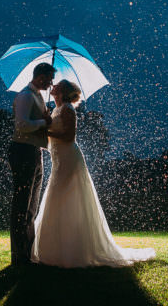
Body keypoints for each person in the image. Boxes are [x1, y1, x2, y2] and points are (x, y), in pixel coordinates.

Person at [32, 79, 156, 267]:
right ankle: (55, 249)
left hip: (69, 159)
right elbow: (55, 140)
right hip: (59, 159)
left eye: (57, 85)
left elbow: (68, 137)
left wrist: (45, 132)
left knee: (66, 199)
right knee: (57, 199)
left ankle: (73, 251)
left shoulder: (67, 109)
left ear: (63, 91)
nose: (53, 86)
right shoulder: (56, 110)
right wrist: (46, 127)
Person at [8, 62, 56, 266]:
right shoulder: (25, 96)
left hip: (35, 152)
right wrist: (44, 122)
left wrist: (46, 119)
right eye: (49, 78)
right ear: (40, 76)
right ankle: (19, 255)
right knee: (22, 203)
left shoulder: (39, 97)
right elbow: (22, 125)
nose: (51, 82)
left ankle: (28, 252)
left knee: (32, 205)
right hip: (22, 151)